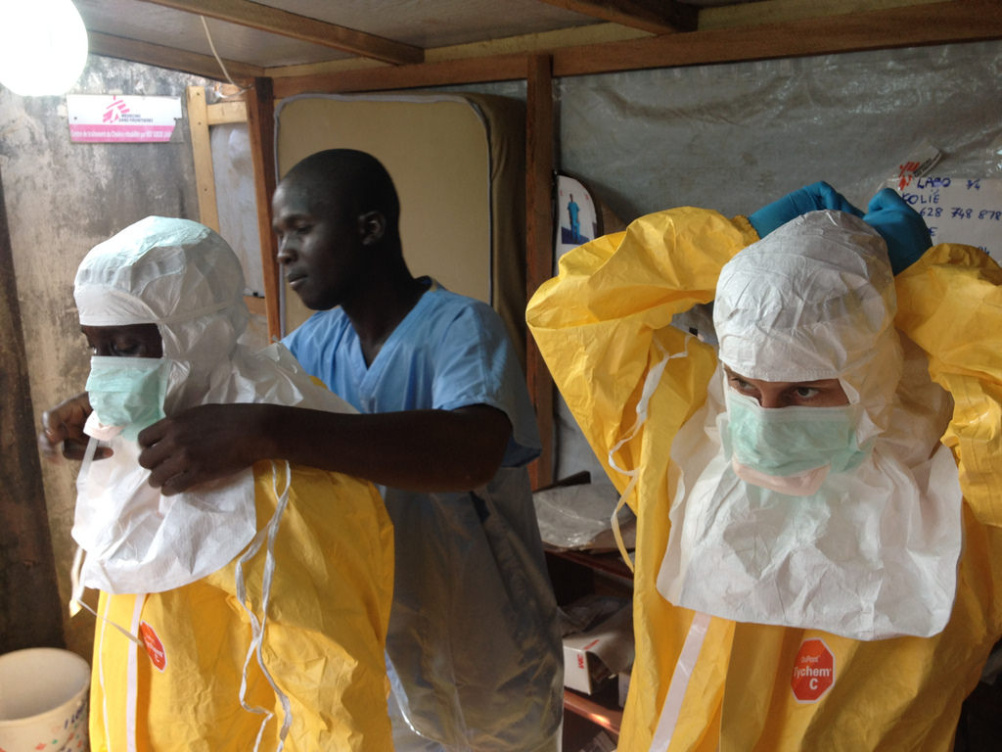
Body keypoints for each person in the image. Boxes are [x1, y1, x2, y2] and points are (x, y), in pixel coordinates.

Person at [42, 150, 563, 752]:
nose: (283, 251)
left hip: (483, 636)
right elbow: (217, 381)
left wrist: (268, 429)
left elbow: (469, 451)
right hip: (382, 636)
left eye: (300, 229)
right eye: (277, 234)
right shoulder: (309, 347)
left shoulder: (462, 330)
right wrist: (110, 396)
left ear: (369, 229)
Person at [526, 182, 1002, 750]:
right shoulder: (682, 445)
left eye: (805, 390)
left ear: (872, 375)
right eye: (744, 384)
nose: (765, 420)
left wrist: (922, 284)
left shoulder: (957, 495)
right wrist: (733, 243)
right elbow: (574, 312)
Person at [65, 216, 395, 751]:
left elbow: (333, 703)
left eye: (125, 346)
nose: (102, 374)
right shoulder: (135, 440)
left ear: (194, 337)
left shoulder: (282, 493)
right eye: (93, 347)